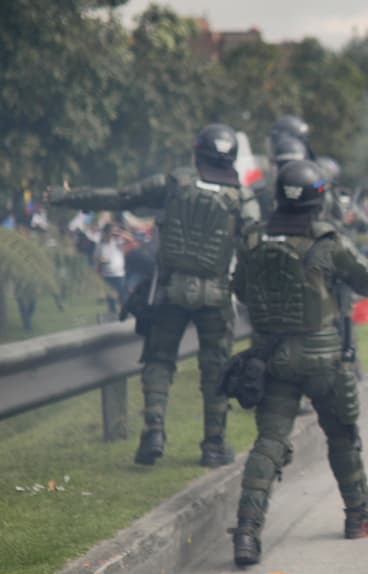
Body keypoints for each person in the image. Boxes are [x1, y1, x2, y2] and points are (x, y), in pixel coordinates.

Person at [48, 123, 260, 467]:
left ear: (197, 151)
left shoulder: (175, 182)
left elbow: (121, 196)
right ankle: (213, 444)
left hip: (169, 290)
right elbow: (254, 248)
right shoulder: (243, 198)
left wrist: (67, 196)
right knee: (216, 370)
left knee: (159, 361)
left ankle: (154, 430)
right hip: (217, 294)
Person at [227, 160, 368, 565]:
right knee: (342, 435)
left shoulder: (252, 238)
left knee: (269, 442)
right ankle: (359, 515)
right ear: (319, 198)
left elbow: (241, 291)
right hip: (323, 359)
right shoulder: (327, 240)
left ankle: (246, 533)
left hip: (272, 358)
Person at [93, 221, 134, 314]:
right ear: (105, 232)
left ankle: (125, 312)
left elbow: (130, 239)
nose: (110, 234)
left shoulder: (117, 242)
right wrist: (100, 263)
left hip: (119, 274)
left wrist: (118, 233)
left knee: (122, 295)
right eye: (109, 232)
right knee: (110, 296)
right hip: (106, 275)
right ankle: (113, 313)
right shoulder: (100, 245)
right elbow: (96, 259)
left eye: (111, 232)